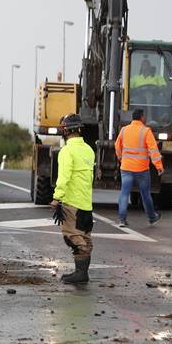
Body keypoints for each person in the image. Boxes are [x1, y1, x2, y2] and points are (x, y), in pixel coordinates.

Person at [49, 114, 95, 285]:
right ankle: (82, 272)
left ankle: (80, 274)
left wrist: (56, 198)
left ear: (65, 131)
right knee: (85, 236)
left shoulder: (67, 151)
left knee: (71, 236)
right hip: (86, 202)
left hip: (72, 202)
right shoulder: (89, 150)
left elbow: (64, 177)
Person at [115, 108, 163, 227]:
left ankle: (122, 219)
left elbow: (117, 146)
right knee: (145, 194)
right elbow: (153, 150)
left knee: (124, 192)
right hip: (142, 169)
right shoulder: (146, 131)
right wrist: (159, 166)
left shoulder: (124, 130)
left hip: (126, 168)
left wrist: (121, 159)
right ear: (141, 117)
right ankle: (152, 217)